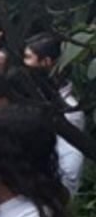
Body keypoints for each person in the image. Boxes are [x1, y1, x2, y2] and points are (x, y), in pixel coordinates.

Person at [23, 32, 87, 197]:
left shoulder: (70, 111)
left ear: (46, 62)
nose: (23, 63)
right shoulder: (29, 96)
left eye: (28, 57)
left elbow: (68, 168)